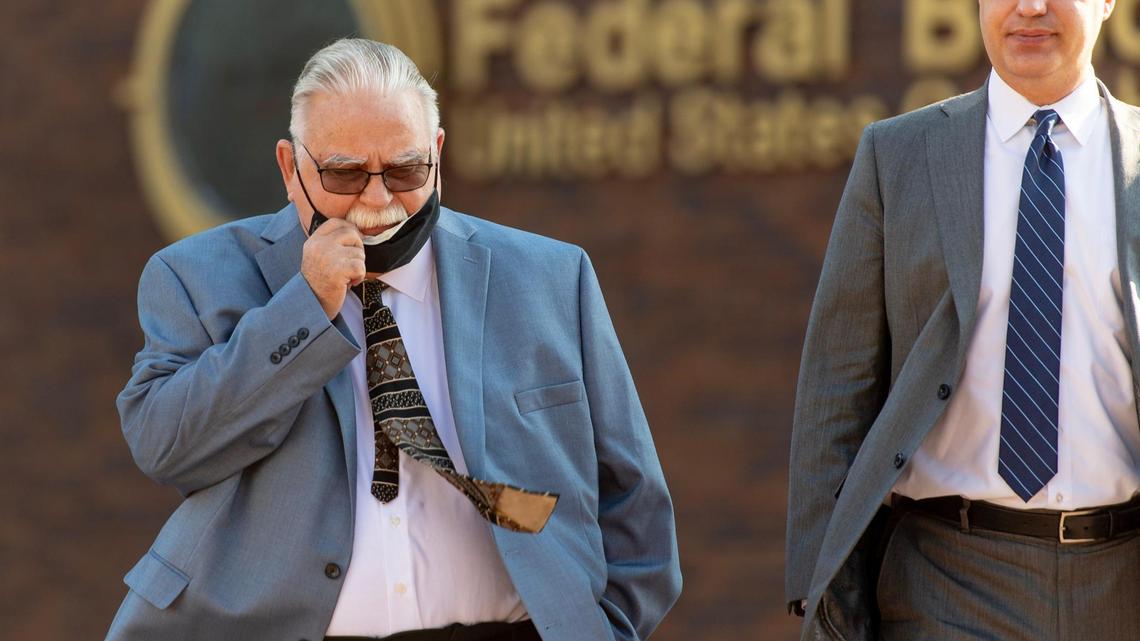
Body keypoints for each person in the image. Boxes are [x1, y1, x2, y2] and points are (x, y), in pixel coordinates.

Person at [106, 38, 680, 641]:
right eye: (345, 172)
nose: (377, 200)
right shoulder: (194, 276)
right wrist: (305, 308)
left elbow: (634, 498)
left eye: (405, 169)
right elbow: (168, 447)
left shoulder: (549, 278)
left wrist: (602, 631)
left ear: (436, 154)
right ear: (289, 167)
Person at [786, 1, 1140, 639]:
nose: (1029, 7)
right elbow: (836, 388)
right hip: (947, 578)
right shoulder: (897, 157)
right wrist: (821, 590)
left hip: (1123, 579)